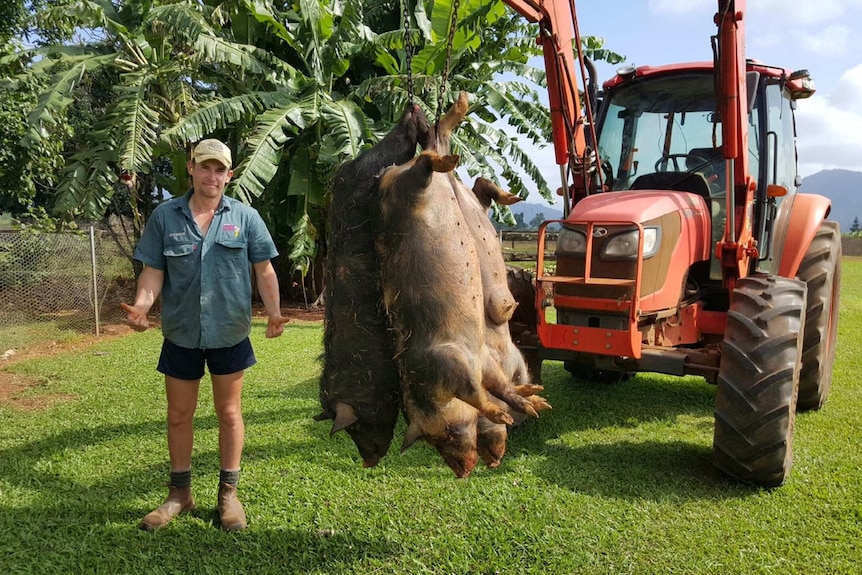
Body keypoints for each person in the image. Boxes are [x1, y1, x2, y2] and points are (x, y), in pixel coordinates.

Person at [121, 138, 288, 531]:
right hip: (180, 333)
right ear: (191, 169)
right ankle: (180, 494)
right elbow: (153, 270)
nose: (211, 176)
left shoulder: (245, 217)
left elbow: (264, 270)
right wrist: (143, 306)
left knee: (229, 413)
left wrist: (276, 313)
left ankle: (228, 494)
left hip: (230, 332)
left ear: (229, 176)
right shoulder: (165, 216)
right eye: (205, 167)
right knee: (179, 415)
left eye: (220, 170)